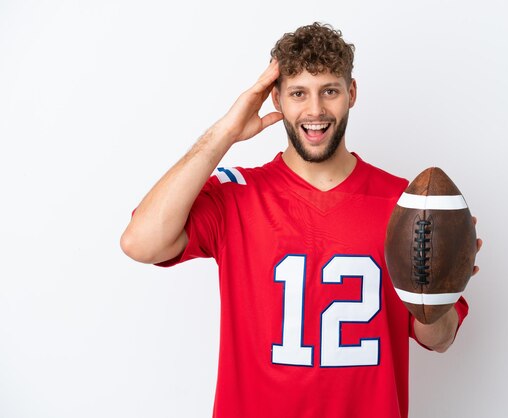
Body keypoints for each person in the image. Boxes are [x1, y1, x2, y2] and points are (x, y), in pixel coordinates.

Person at [121, 22, 481, 418]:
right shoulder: (238, 194)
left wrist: (435, 291)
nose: (315, 110)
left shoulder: (405, 205)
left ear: (351, 94)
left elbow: (441, 339)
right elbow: (140, 243)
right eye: (298, 93)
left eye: (329, 90)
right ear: (276, 99)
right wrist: (226, 131)